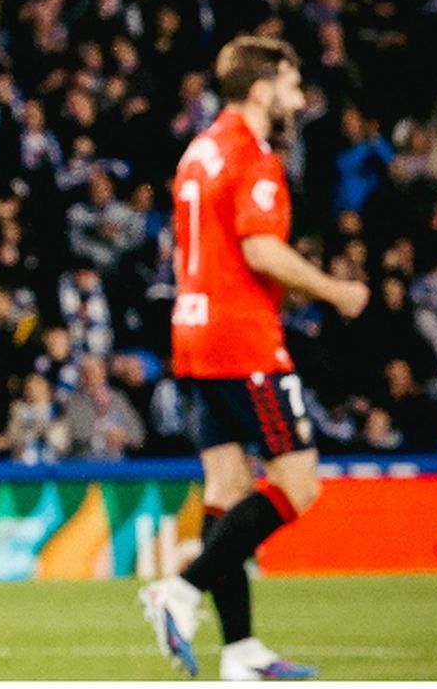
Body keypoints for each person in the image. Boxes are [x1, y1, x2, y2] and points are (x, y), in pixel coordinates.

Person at [140, 36, 369, 681]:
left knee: (228, 492)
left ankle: (240, 651)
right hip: (243, 337)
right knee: (299, 485)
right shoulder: (252, 154)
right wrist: (336, 291)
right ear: (263, 88)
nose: (300, 98)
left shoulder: (199, 149)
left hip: (193, 333)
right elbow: (262, 252)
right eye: (293, 85)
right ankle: (178, 591)